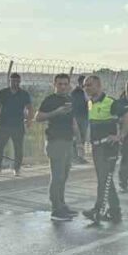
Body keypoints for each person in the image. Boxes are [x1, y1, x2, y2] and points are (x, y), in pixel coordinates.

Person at [82, 74, 128, 224]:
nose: (86, 88)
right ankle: (115, 211)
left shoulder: (110, 102)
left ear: (98, 86)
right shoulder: (90, 103)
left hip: (108, 147)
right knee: (105, 180)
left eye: (89, 85)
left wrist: (120, 136)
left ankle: (98, 210)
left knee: (103, 180)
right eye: (85, 85)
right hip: (96, 147)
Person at [36, 73, 77, 220]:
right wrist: (56, 112)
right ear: (55, 84)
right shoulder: (50, 100)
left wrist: (77, 135)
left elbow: (73, 119)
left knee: (64, 175)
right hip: (55, 140)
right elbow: (38, 117)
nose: (63, 87)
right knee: (57, 175)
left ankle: (62, 204)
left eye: (65, 84)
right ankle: (56, 208)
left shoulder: (70, 99)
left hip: (68, 141)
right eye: (60, 84)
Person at [0, 72, 32, 175]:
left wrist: (29, 120)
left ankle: (17, 168)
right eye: (13, 81)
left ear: (20, 82)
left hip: (18, 125)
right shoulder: (3, 92)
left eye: (17, 81)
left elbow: (29, 108)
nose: (15, 83)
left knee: (18, 148)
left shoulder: (24, 94)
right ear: (9, 81)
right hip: (3, 124)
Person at [71, 74, 90, 164]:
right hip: (78, 117)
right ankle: (75, 156)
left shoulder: (85, 92)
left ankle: (79, 156)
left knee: (82, 138)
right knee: (75, 137)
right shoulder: (76, 92)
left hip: (84, 116)